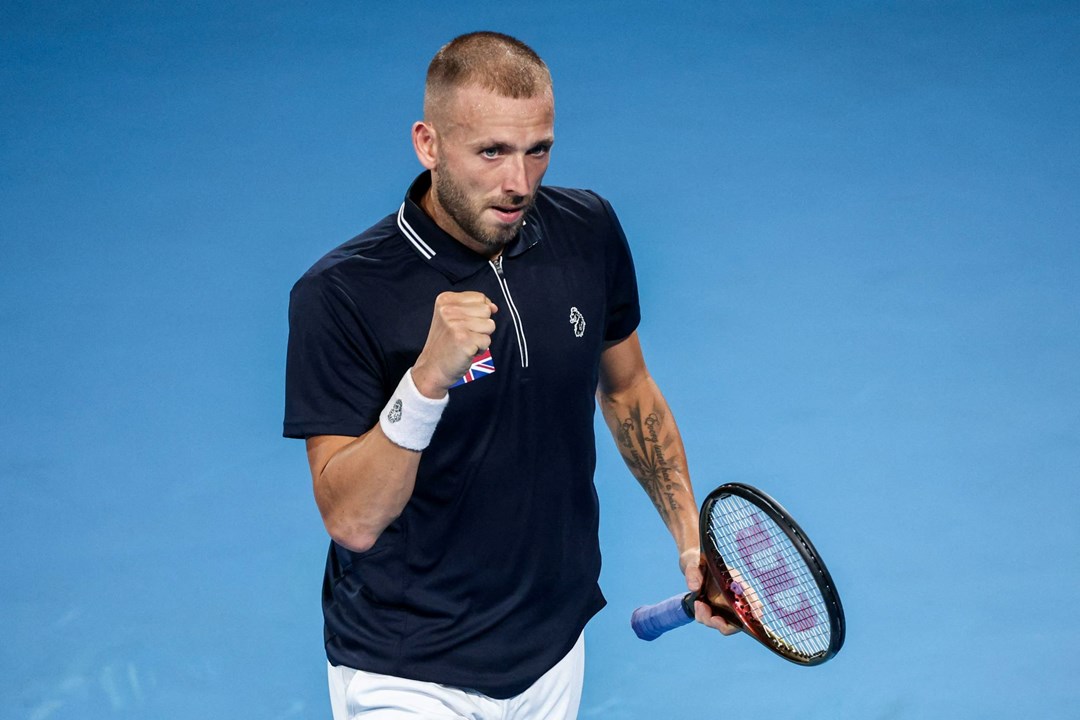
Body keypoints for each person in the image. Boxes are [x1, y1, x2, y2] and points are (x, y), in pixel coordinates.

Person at [284, 31, 733, 720]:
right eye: (490, 151)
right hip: (409, 668)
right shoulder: (342, 293)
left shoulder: (588, 230)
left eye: (538, 149)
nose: (518, 183)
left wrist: (690, 544)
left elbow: (628, 386)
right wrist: (425, 380)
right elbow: (351, 520)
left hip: (551, 652)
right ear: (428, 144)